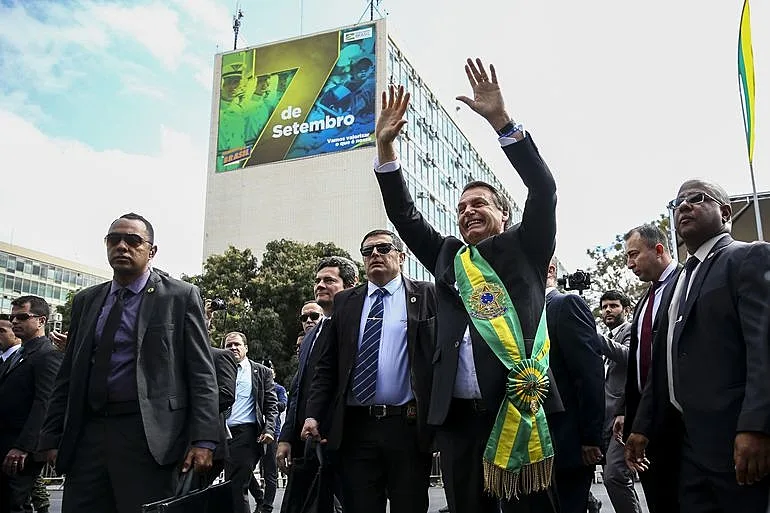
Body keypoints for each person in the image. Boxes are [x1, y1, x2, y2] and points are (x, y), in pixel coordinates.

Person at [371, 58, 561, 513]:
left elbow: (544, 189)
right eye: (461, 207)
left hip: (517, 408)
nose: (468, 211)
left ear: (504, 214)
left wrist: (502, 123)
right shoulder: (449, 258)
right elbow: (406, 218)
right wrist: (385, 150)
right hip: (457, 422)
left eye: (479, 203)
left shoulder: (526, 246)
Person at [39, 213, 220, 513]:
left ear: (151, 251)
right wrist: (51, 435)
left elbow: (201, 373)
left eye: (133, 240)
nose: (122, 246)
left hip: (150, 438)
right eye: (114, 239)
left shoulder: (180, 296)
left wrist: (204, 439)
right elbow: (69, 374)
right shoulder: (87, 300)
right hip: (88, 436)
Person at [626, 181, 770, 512]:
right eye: (678, 202)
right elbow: (664, 361)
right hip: (687, 445)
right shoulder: (679, 281)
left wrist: (756, 427)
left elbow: (763, 348)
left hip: (735, 443)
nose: (685, 206)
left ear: (726, 212)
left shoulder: (749, 257)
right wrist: (642, 426)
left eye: (697, 198)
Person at [302, 230, 436, 513]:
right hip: (356, 429)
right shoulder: (346, 302)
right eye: (367, 251)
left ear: (401, 256)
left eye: (383, 248)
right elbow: (327, 366)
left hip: (407, 428)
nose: (374, 254)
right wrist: (313, 414)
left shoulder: (426, 295)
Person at [279, 257, 357, 513]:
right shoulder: (311, 334)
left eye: (329, 280)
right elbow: (298, 389)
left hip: (342, 441)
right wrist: (287, 437)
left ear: (350, 284)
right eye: (317, 281)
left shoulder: (356, 327)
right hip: (307, 442)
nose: (320, 285)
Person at [620, 223, 680, 512]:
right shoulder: (644, 300)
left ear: (658, 250)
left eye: (633, 255)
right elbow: (637, 363)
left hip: (678, 420)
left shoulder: (686, 283)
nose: (629, 265)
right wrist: (626, 412)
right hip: (645, 421)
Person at [545, 260, 605, 513]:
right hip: (527, 449)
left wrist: (591, 438)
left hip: (568, 446)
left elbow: (589, 375)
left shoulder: (565, 305)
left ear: (550, 270)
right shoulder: (512, 315)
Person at [0, 298, 61, 513]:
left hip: (19, 451)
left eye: (22, 317)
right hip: (6, 445)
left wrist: (23, 446)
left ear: (41, 320)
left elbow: (44, 403)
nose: (15, 321)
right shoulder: (18, 355)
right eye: (12, 317)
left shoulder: (48, 355)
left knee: (13, 504)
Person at [223, 331, 279, 513]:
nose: (233, 348)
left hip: (246, 434)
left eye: (236, 344)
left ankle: (261, 502)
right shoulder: (219, 370)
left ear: (245, 348)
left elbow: (272, 404)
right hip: (220, 435)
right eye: (228, 345)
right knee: (216, 485)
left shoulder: (261, 372)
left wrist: (269, 428)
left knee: (237, 485)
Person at [597, 291, 641, 513]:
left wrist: (594, 336)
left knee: (615, 475)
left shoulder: (630, 330)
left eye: (613, 306)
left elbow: (628, 356)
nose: (607, 310)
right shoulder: (609, 335)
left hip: (623, 416)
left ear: (626, 309)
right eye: (604, 307)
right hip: (603, 418)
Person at [251, 367, 287, 513]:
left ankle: (267, 506)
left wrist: (268, 403)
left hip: (272, 433)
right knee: (245, 469)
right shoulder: (256, 387)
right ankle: (259, 497)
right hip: (254, 433)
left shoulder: (278, 389)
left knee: (270, 472)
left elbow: (282, 405)